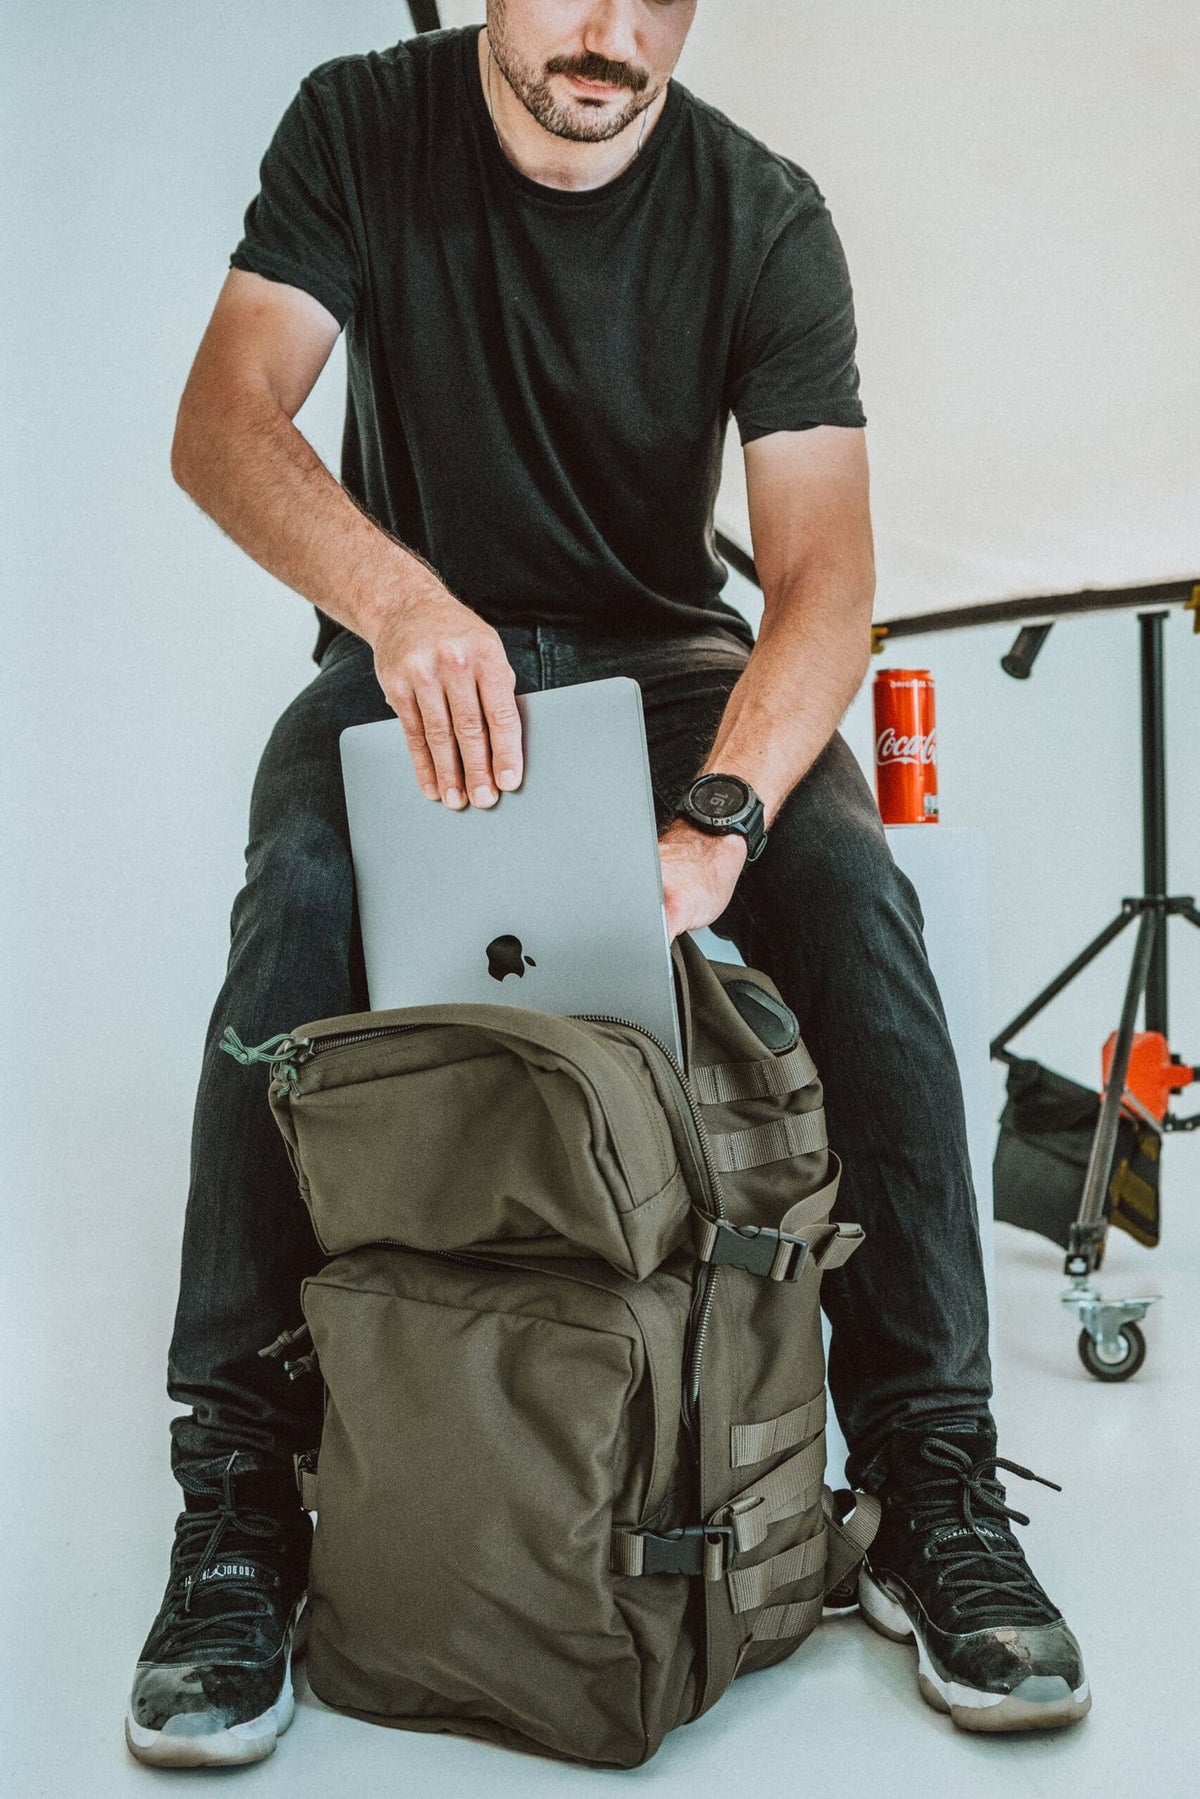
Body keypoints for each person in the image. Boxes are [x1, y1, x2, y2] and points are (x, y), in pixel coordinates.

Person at [126, 1, 1090, 1769]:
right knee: (300, 897)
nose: (615, 31)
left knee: (858, 899)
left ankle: (932, 1477)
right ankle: (239, 1511)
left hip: (665, 678)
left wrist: (720, 819)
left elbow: (822, 583)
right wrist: (402, 609)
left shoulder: (763, 211)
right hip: (414, 665)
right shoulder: (359, 126)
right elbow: (223, 423)